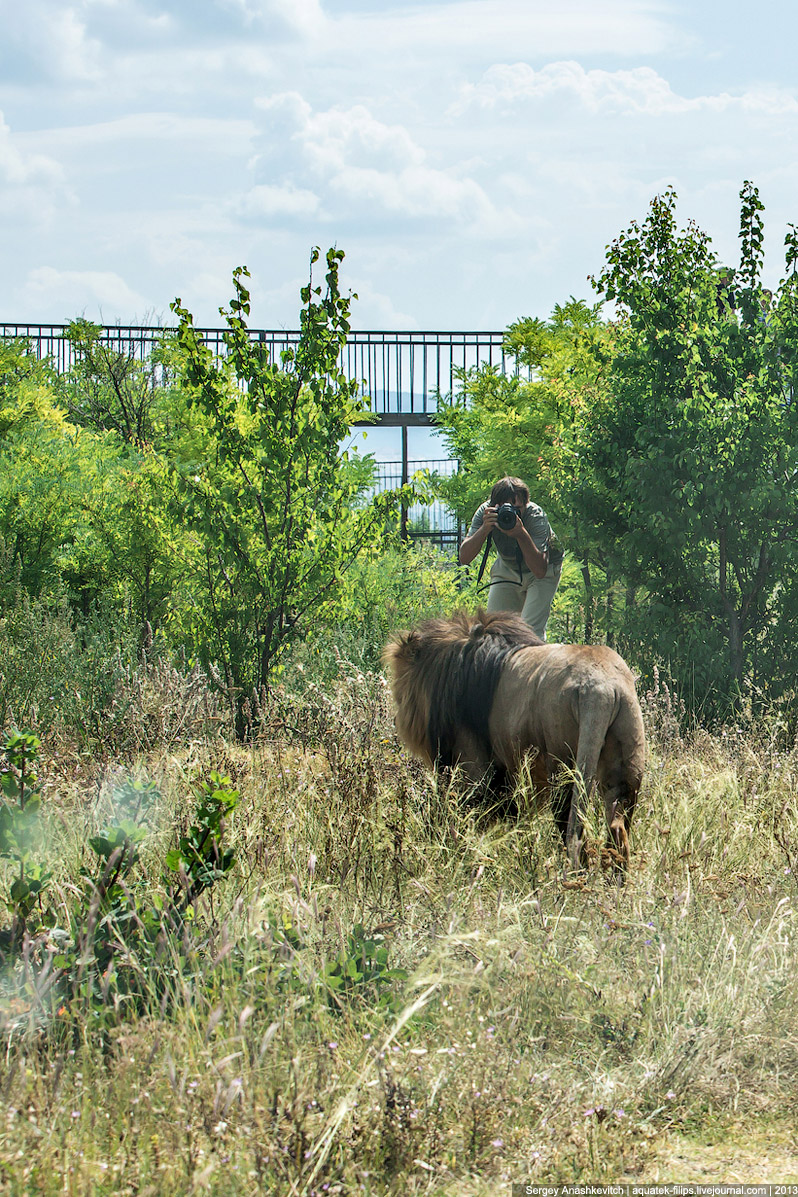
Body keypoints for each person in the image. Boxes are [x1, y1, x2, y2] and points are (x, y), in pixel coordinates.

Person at [459, 475, 562, 641]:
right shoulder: (486, 512)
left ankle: (531, 665)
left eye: (517, 509)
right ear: (493, 505)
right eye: (504, 508)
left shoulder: (535, 516)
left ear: (526, 504)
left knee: (529, 634)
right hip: (508, 567)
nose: (511, 514)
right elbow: (464, 557)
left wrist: (521, 534)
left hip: (545, 569)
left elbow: (540, 570)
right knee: (495, 631)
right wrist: (484, 529)